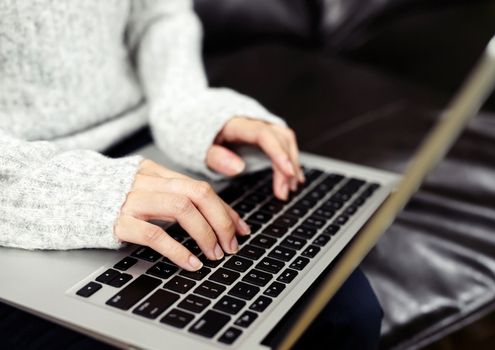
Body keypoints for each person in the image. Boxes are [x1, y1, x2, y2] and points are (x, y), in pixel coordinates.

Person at [0, 1, 382, 349]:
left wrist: (185, 106)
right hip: (20, 184)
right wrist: (72, 192)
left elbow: (158, 15)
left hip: (138, 137)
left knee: (343, 312)